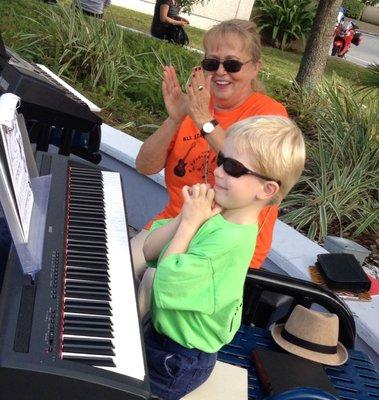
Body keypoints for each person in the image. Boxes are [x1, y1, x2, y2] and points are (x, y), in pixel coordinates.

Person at [143, 116, 306, 400]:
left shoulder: (230, 241)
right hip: (164, 336)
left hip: (178, 358)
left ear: (267, 189)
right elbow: (149, 251)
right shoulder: (217, 215)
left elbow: (165, 283)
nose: (218, 171)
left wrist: (190, 225)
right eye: (221, 159)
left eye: (233, 168)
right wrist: (185, 216)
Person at [134, 19, 288, 309]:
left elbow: (244, 167)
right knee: (114, 266)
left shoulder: (268, 115)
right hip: (173, 224)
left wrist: (204, 120)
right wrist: (175, 119)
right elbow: (144, 166)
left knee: (153, 285)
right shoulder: (196, 105)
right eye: (211, 63)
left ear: (255, 67)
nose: (220, 72)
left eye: (232, 65)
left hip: (221, 241)